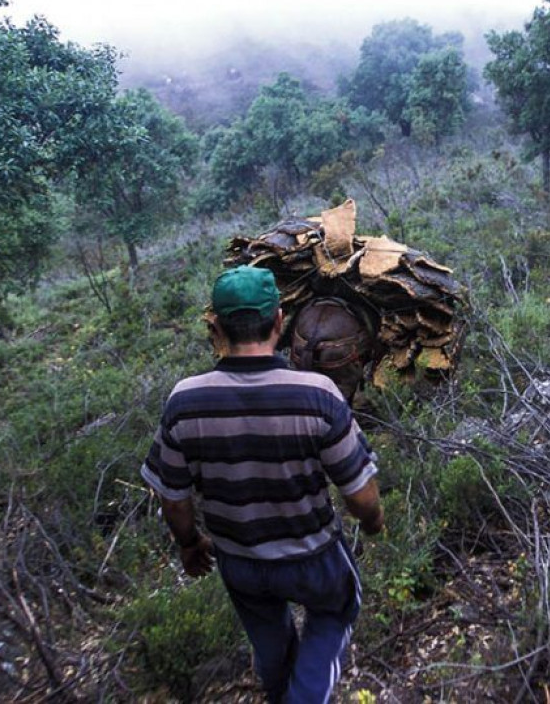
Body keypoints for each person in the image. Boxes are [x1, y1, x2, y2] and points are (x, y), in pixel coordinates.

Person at [141, 265, 385, 704]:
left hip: (240, 560)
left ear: (216, 326)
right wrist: (373, 522)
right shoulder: (319, 394)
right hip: (313, 557)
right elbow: (361, 496)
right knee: (335, 613)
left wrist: (189, 544)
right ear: (279, 323)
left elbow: (173, 499)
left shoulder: (184, 401)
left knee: (269, 641)